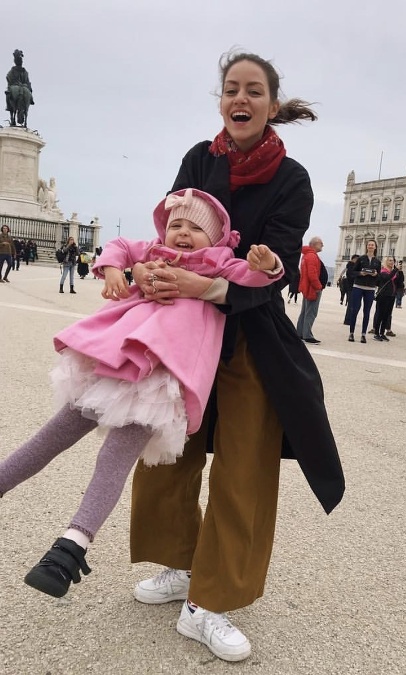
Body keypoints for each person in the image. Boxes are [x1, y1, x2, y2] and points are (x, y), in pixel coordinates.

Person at [123, 51, 344, 663]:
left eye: (253, 90)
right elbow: (171, 225)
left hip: (251, 336)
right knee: (164, 450)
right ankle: (180, 564)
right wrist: (146, 265)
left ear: (273, 105)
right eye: (229, 89)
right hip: (182, 329)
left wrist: (221, 281)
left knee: (245, 466)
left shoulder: (292, 178)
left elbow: (270, 271)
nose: (239, 99)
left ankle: (210, 600)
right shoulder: (200, 158)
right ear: (221, 101)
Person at [0, 187, 281, 602]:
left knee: (114, 458)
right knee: (53, 434)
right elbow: (116, 246)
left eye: (194, 228)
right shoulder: (152, 251)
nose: (182, 234)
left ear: (218, 236)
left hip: (159, 382)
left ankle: (71, 546)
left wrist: (268, 264)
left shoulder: (218, 262)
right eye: (175, 225)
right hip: (117, 362)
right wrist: (114, 269)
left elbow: (254, 279)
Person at [347, 240, 381, 343]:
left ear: (375, 247)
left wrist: (375, 275)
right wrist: (360, 273)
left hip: (370, 288)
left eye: (372, 245)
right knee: (355, 310)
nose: (371, 246)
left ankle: (363, 334)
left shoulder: (377, 262)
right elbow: (352, 272)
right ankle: (351, 333)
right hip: (358, 286)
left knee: (367, 312)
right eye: (369, 245)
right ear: (367, 247)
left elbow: (379, 276)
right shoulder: (361, 259)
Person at [296, 236, 327, 344]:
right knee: (311, 312)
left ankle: (299, 333)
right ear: (314, 244)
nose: (322, 245)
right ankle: (307, 335)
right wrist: (318, 287)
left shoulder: (306, 256)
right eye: (321, 243)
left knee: (305, 311)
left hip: (307, 287)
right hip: (312, 289)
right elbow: (312, 274)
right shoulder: (312, 256)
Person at [372, 256, 399, 341]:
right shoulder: (383, 271)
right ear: (386, 262)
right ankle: (376, 333)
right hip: (383, 295)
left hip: (391, 295)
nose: (392, 262)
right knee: (380, 314)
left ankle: (382, 333)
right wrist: (395, 270)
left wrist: (399, 271)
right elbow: (387, 278)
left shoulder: (393, 272)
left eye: (393, 261)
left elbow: (399, 282)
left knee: (386, 315)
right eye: (390, 261)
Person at [343, 254, 359, 324]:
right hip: (351, 287)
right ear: (353, 259)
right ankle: (348, 320)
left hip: (352, 287)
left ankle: (350, 319)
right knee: (351, 304)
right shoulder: (351, 267)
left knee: (353, 304)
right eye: (357, 260)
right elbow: (351, 277)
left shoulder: (352, 267)